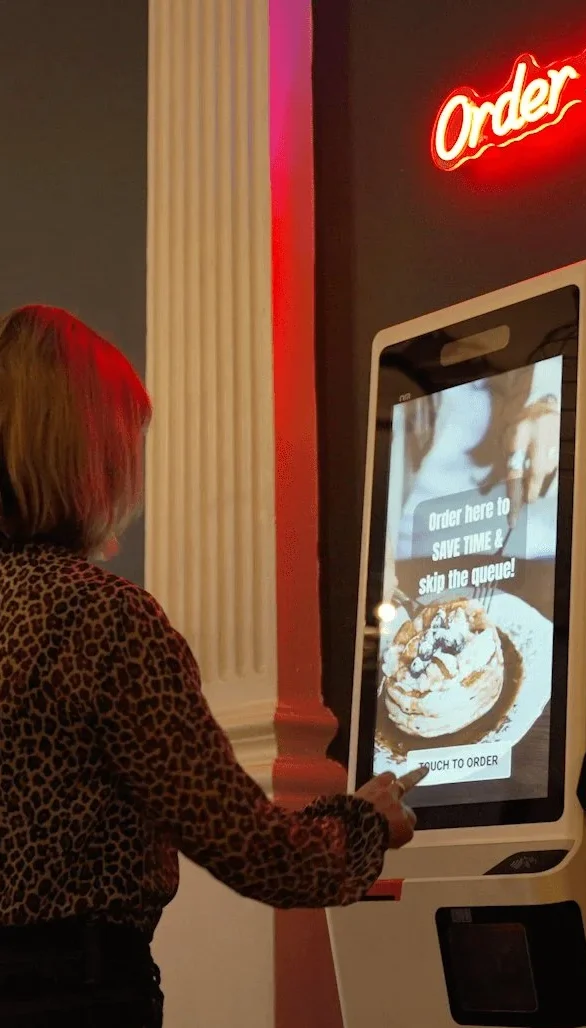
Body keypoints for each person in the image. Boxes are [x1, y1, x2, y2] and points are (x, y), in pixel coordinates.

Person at [0, 305, 415, 1027]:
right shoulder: (100, 617)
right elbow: (251, 849)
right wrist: (366, 825)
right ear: (90, 454)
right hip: (72, 993)